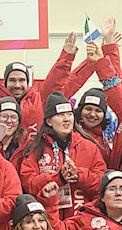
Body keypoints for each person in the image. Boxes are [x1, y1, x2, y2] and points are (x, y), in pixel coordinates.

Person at [19, 91, 106, 220]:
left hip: (82, 219)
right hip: (48, 219)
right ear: (49, 121)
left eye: (69, 114)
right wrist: (58, 178)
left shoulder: (89, 147)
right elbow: (29, 184)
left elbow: (102, 183)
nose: (66, 119)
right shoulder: (36, 148)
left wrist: (80, 176)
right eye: (60, 115)